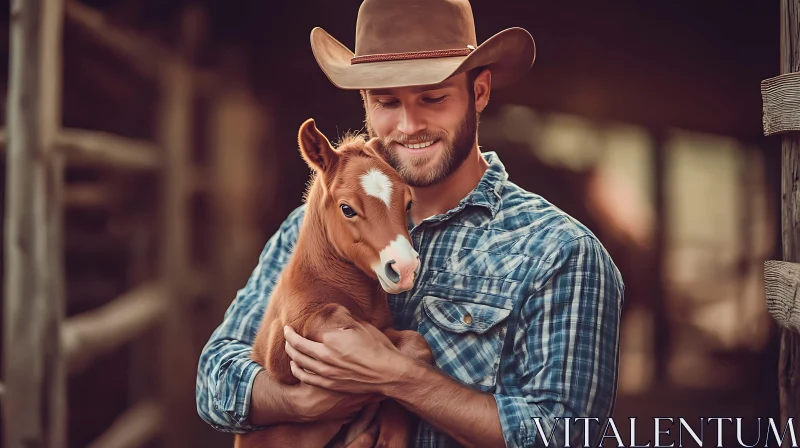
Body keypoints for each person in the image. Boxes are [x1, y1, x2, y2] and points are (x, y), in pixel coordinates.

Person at [196, 0, 624, 447]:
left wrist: (397, 377)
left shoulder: (560, 252)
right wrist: (299, 403)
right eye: (386, 101)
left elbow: (567, 436)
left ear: (479, 91)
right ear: (365, 102)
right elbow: (213, 379)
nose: (409, 125)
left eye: (433, 97)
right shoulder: (312, 226)